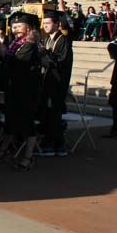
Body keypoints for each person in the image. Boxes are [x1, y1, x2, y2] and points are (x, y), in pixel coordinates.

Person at [0, 12, 41, 172]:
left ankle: (28, 157)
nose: (15, 29)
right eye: (14, 27)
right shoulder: (17, 43)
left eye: (19, 26)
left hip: (25, 90)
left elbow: (19, 64)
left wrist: (3, 52)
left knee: (27, 124)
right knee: (10, 120)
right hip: (13, 87)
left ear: (28, 27)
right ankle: (4, 149)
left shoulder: (29, 44)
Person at [37, 10, 73, 157]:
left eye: (48, 23)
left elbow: (62, 61)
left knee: (54, 114)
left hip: (57, 82)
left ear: (57, 24)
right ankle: (52, 144)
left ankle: (56, 145)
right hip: (47, 81)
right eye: (44, 23)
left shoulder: (63, 40)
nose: (45, 26)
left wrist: (45, 55)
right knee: (47, 113)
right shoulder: (46, 39)